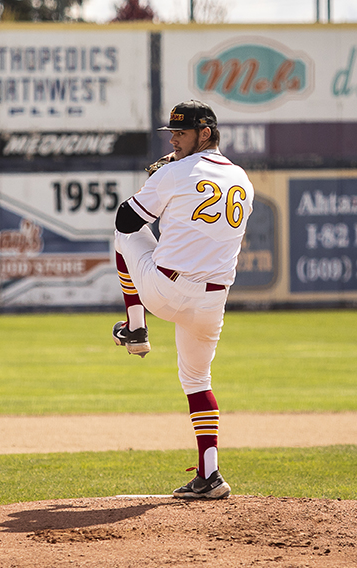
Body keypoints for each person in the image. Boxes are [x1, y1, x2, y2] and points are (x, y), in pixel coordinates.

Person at [112, 99, 254, 500]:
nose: (173, 139)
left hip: (166, 290)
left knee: (122, 233)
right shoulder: (242, 177)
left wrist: (155, 182)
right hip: (212, 304)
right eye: (172, 133)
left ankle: (135, 327)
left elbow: (127, 220)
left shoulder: (175, 171)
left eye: (181, 132)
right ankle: (209, 475)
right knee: (198, 381)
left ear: (205, 133)